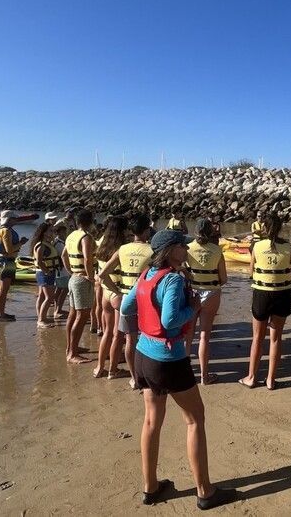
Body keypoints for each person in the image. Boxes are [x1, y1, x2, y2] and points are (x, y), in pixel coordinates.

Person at [119, 229, 235, 509]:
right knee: (195, 419)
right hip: (168, 359)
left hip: (144, 355)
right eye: (183, 246)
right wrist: (193, 307)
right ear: (171, 251)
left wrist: (150, 314)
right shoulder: (172, 279)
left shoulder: (146, 275)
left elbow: (126, 306)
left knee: (151, 421)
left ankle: (150, 487)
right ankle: (205, 491)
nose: (187, 250)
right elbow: (170, 321)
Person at [239, 213, 291, 390]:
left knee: (257, 337)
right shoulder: (288, 246)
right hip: (282, 294)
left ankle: (251, 377)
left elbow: (251, 272)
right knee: (276, 338)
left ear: (264, 227)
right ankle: (271, 380)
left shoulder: (257, 246)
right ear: (280, 228)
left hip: (262, 294)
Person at [98, 212, 154, 386]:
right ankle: (145, 372)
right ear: (147, 230)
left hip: (125, 300)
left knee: (129, 339)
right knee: (148, 337)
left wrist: (118, 291)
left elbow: (102, 274)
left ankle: (134, 378)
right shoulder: (152, 250)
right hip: (145, 300)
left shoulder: (122, 249)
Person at [185, 218, 228, 385]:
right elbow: (223, 279)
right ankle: (204, 376)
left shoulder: (188, 248)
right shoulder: (217, 250)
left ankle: (184, 373)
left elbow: (183, 270)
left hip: (192, 293)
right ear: (211, 232)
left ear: (195, 231)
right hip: (211, 293)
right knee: (204, 335)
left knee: (188, 335)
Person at [94, 216, 129, 378]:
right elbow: (104, 274)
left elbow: (100, 274)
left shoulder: (102, 245)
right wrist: (118, 291)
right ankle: (113, 370)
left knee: (107, 332)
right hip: (116, 292)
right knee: (117, 335)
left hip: (105, 293)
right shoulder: (120, 249)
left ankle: (100, 367)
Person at [61, 208, 96, 364]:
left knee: (73, 314)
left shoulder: (71, 235)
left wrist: (71, 271)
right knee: (82, 316)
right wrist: (90, 276)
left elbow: (63, 255)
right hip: (82, 280)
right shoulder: (85, 237)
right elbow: (88, 259)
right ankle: (72, 353)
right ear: (90, 221)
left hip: (74, 277)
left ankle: (71, 347)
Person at [0, 210, 28, 321]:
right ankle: (1, 315)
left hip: (2, 261)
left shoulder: (0, 230)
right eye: (14, 218)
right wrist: (21, 243)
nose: (16, 220)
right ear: (9, 219)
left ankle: (0, 313)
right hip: (7, 262)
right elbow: (9, 250)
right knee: (4, 290)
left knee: (1, 289)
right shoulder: (6, 231)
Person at [31, 222, 60, 328]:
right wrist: (47, 271)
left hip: (44, 273)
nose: (52, 233)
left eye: (52, 231)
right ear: (43, 233)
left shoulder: (46, 243)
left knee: (42, 296)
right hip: (44, 273)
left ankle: (41, 316)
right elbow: (39, 262)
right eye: (50, 231)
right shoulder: (41, 245)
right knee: (49, 297)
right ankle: (41, 320)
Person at [52, 224, 70, 319]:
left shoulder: (59, 242)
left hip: (60, 270)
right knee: (64, 289)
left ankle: (57, 309)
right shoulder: (59, 243)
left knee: (59, 289)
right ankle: (58, 310)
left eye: (65, 231)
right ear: (58, 232)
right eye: (63, 231)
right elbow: (64, 256)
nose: (65, 233)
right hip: (61, 270)